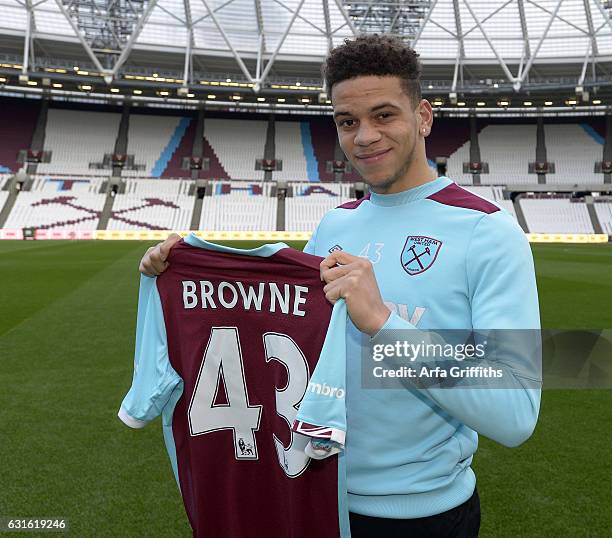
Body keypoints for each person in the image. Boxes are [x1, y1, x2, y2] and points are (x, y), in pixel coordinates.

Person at [139, 34, 541, 538]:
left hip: (420, 517)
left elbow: (516, 414)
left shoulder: (488, 232)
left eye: (384, 115)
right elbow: (281, 336)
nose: (364, 136)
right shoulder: (334, 227)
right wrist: (180, 270)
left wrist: (384, 326)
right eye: (348, 122)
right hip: (310, 493)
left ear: (423, 117)